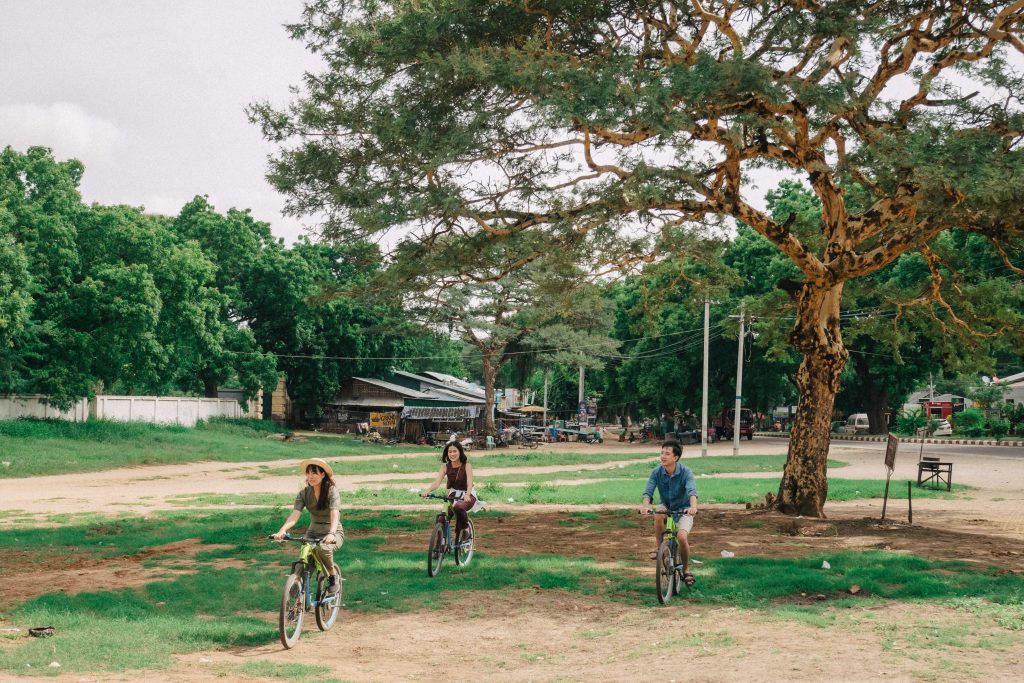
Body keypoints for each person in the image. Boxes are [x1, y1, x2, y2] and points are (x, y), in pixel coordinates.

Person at [272, 458, 343, 594]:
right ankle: (297, 586)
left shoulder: (331, 491)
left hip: (332, 531)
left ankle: (333, 576)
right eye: (308, 472)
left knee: (323, 549)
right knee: (304, 560)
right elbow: (294, 515)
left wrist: (331, 533)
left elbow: (335, 514)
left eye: (314, 473)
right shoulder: (304, 493)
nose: (310, 476)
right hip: (313, 532)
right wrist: (282, 530)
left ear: (323, 474)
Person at [639, 440, 698, 587]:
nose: (663, 456)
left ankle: (685, 570)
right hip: (666, 506)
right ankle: (660, 548)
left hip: (683, 509)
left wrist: (693, 507)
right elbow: (648, 492)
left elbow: (692, 492)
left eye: (667, 453)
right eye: (662, 453)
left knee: (682, 537)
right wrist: (645, 506)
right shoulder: (656, 472)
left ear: (675, 458)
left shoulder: (686, 472)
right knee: (658, 512)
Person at [421, 441, 477, 542]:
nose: (452, 454)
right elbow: (437, 482)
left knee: (459, 507)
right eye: (449, 452)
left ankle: (466, 530)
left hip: (468, 494)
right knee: (441, 519)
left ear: (460, 452)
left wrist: (468, 494)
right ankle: (439, 547)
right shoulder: (445, 467)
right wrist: (427, 491)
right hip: (453, 495)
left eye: (454, 451)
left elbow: (470, 481)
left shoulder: (467, 466)